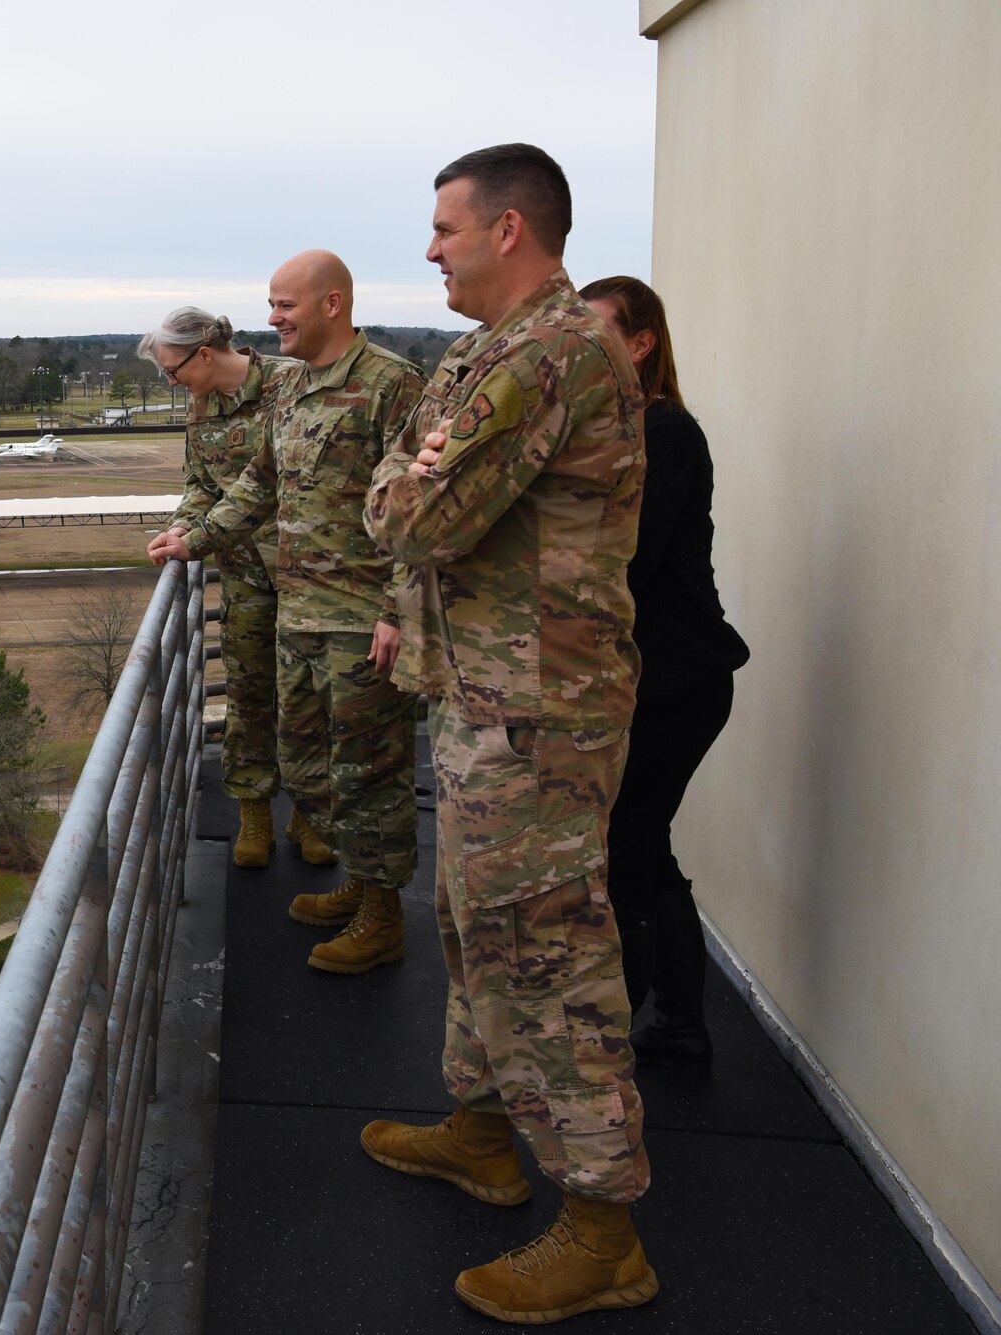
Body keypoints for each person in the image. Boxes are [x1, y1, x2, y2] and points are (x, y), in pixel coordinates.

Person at [360, 144, 657, 1323]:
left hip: (537, 713)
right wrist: (410, 465)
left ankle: (601, 1228)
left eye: (442, 227)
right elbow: (415, 487)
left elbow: (410, 514)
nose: (427, 248)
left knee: (547, 956)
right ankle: (484, 1137)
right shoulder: (492, 351)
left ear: (508, 232)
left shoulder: (541, 353)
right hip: (490, 699)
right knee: (477, 927)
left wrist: (403, 473)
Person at [148, 252, 424, 974]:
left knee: (370, 772)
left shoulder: (393, 385)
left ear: (332, 304)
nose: (270, 320)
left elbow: (427, 512)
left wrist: (400, 609)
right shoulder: (295, 394)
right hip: (296, 617)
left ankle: (382, 913)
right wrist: (192, 538)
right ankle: (359, 886)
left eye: (285, 306)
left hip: (363, 624)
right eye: (270, 306)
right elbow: (255, 485)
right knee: (311, 766)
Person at [581, 275, 749, 1065]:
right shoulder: (617, 427)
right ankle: (679, 1020)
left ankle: (627, 1025)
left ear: (641, 342)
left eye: (597, 329)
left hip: (676, 683)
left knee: (625, 849)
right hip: (651, 678)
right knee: (646, 846)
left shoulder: (664, 431)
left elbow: (631, 556)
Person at [137, 307, 297, 870]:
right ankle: (255, 814)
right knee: (251, 692)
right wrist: (182, 524)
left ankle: (311, 813)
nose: (172, 382)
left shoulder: (290, 384)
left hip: (308, 572)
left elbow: (277, 488)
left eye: (172, 370)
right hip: (246, 573)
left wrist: (198, 536)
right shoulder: (200, 405)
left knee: (310, 698)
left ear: (204, 352)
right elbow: (201, 482)